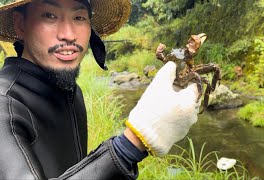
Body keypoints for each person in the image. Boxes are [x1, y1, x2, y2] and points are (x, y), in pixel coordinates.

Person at [0, 0, 201, 179]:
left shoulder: (70, 91)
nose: (68, 35)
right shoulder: (4, 104)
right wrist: (129, 147)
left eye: (79, 17)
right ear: (20, 25)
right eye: (50, 16)